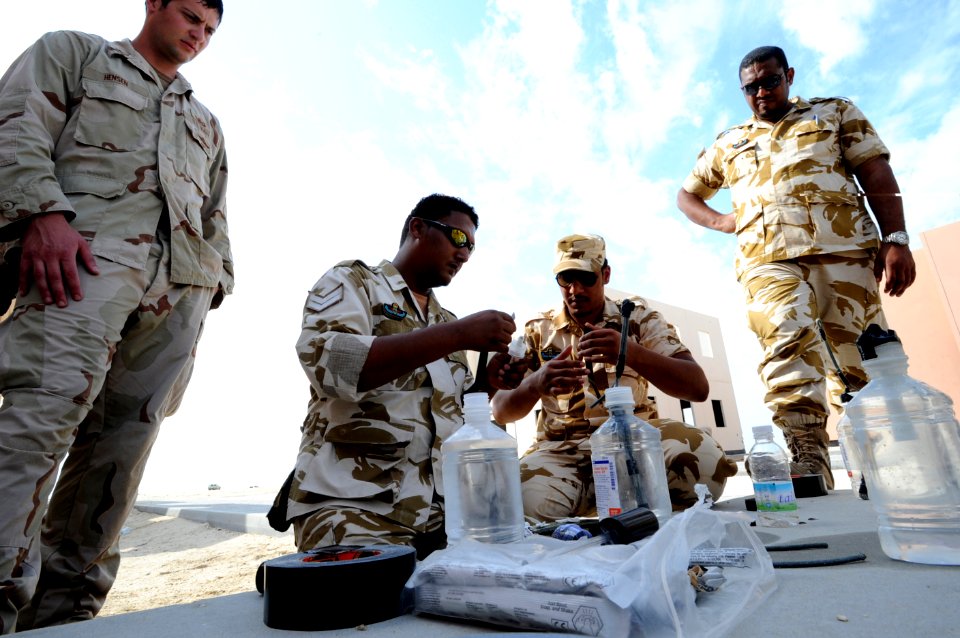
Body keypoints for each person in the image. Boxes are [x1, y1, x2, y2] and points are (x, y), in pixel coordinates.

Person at [0, 0, 230, 631]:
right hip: (77, 271)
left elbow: (215, 218)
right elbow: (15, 128)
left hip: (174, 302)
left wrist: (209, 292)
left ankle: (66, 617)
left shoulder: (204, 121)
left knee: (118, 461)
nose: (198, 34)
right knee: (34, 431)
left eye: (210, 29)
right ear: (153, 3)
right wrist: (42, 215)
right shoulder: (76, 54)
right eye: (189, 16)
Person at [676, 46, 916, 490]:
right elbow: (687, 195)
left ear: (788, 75)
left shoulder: (833, 112)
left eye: (770, 81)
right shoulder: (729, 141)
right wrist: (721, 221)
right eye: (751, 87)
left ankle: (880, 461)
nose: (762, 92)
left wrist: (896, 239)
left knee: (860, 355)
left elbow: (876, 172)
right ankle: (807, 451)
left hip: (841, 251)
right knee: (784, 339)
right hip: (766, 261)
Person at [273, 194, 519, 560]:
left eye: (472, 247)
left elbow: (455, 416)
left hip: (443, 514)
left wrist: (490, 384)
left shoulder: (446, 321)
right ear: (418, 228)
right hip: (356, 505)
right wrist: (457, 336)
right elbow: (331, 366)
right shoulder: (355, 283)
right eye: (458, 238)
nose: (465, 254)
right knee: (371, 596)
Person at [491, 234, 737, 521]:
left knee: (706, 464)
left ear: (605, 274)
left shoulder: (637, 319)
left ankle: (643, 517)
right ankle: (602, 506)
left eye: (585, 278)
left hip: (633, 443)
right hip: (561, 453)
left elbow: (697, 388)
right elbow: (500, 411)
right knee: (511, 504)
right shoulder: (538, 330)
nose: (575, 290)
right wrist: (537, 382)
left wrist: (629, 352)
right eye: (565, 279)